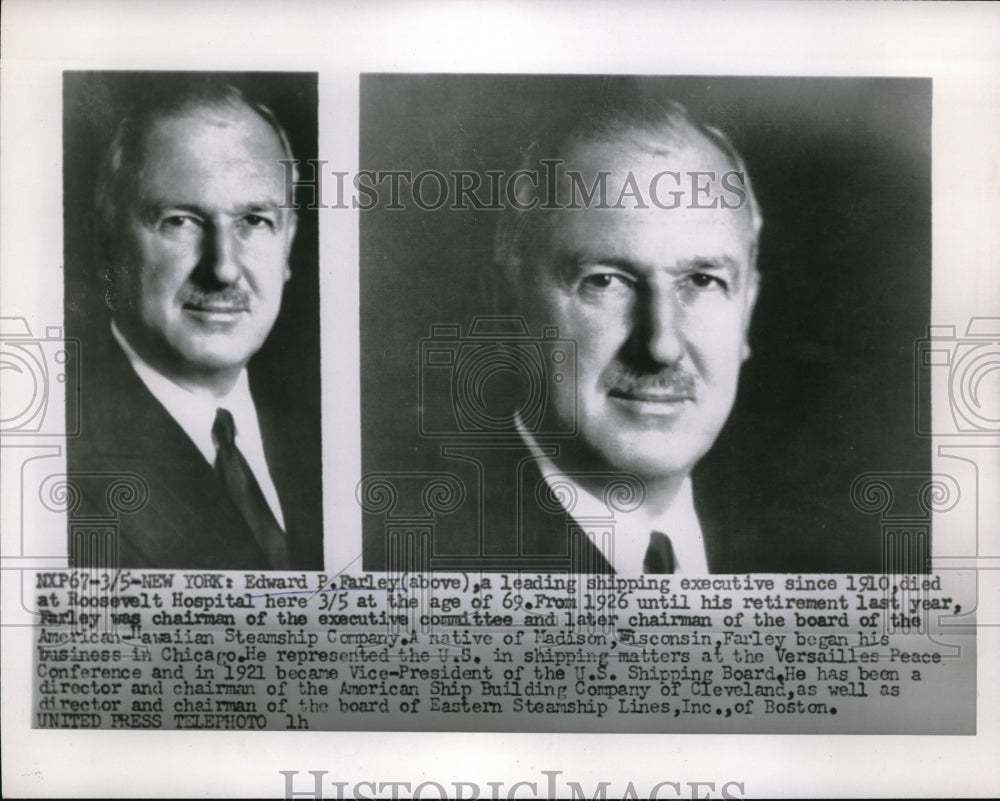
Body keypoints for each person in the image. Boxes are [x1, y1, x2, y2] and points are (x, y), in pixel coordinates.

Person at [481, 97, 762, 574]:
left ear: (747, 311)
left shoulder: (795, 547)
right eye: (606, 281)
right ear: (507, 305)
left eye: (702, 281)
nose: (660, 346)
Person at [67, 78, 323, 570]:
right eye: (180, 221)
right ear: (104, 244)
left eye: (254, 221)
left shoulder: (327, 443)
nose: (223, 268)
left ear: (288, 243)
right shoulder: (52, 457)